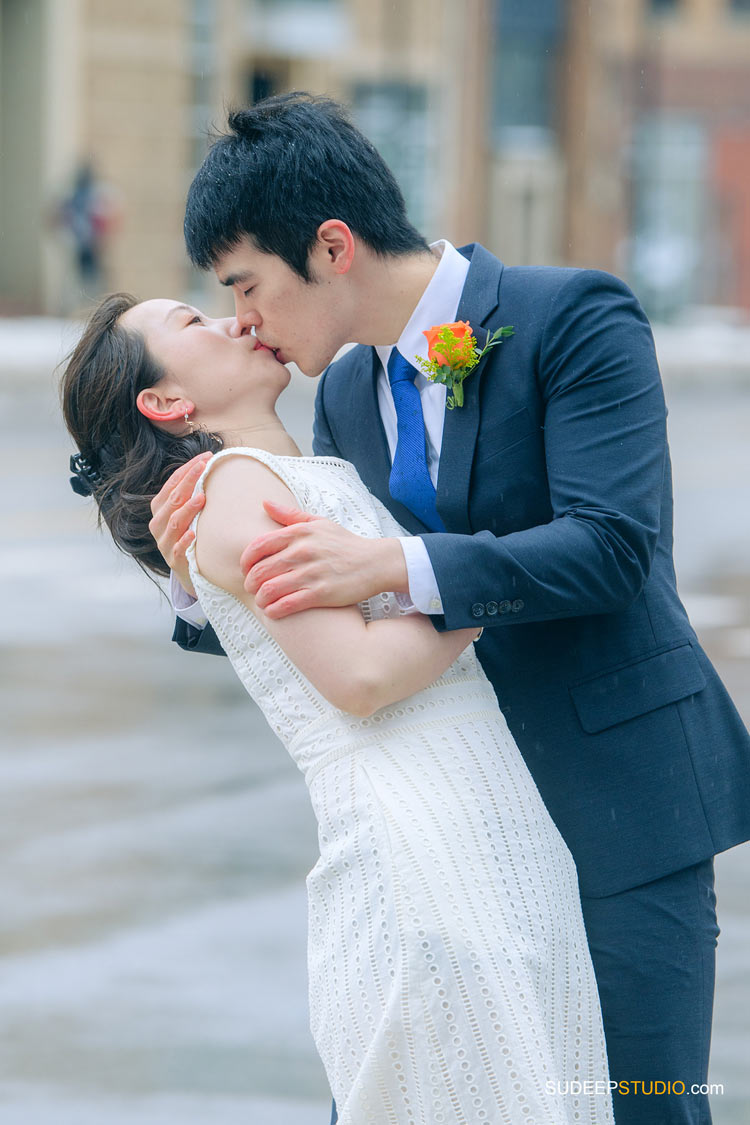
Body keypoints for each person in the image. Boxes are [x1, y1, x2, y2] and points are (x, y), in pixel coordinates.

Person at [155, 93, 750, 1125]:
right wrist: (198, 580)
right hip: (465, 838)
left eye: (246, 284)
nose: (242, 318)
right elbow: (332, 610)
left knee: (643, 1107)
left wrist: (398, 561)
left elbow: (613, 547)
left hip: (624, 806)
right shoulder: (343, 396)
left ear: (331, 246)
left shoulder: (574, 318)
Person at [62, 291, 615, 1125]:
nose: (235, 318)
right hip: (420, 835)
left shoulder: (299, 466)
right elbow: (359, 677)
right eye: (198, 322)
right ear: (167, 403)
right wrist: (487, 567)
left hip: (476, 813)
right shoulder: (235, 486)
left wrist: (434, 572)